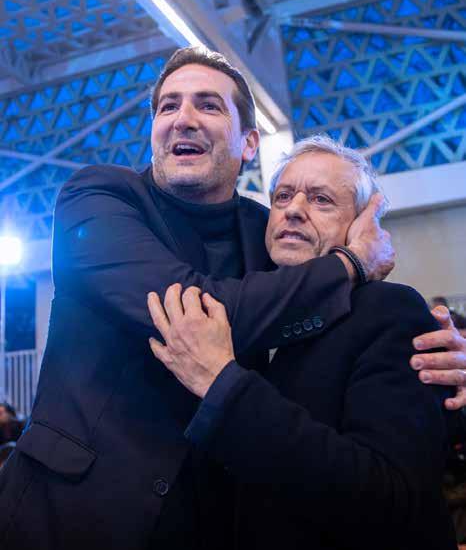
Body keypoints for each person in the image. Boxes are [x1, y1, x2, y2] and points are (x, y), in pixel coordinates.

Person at [0, 47, 463, 550]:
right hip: (66, 516)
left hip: (205, 527)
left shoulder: (269, 236)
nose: (184, 118)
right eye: (169, 105)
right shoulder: (99, 199)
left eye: (208, 104)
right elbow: (196, 311)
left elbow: (351, 333)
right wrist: (351, 261)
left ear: (249, 143)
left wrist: (442, 362)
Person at [147, 135, 458, 550]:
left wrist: (223, 385)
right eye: (282, 196)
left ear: (360, 227)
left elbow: (388, 498)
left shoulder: (390, 311)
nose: (293, 209)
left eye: (321, 200)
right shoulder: (248, 321)